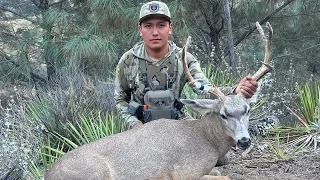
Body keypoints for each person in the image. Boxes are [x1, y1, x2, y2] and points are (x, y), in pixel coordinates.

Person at [115, 1, 258, 129]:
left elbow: (203, 88)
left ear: (170, 28)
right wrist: (135, 124)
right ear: (140, 30)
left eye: (161, 25)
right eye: (148, 26)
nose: (155, 32)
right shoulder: (128, 60)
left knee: (219, 157)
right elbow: (121, 100)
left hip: (178, 122)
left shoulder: (184, 58)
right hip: (141, 125)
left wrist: (233, 90)